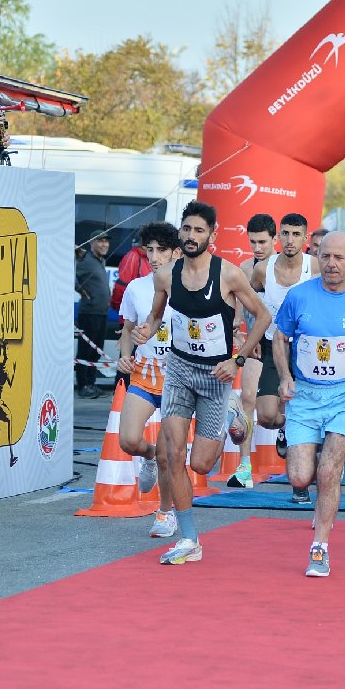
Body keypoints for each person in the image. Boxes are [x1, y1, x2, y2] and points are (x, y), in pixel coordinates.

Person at [133, 201, 272, 565]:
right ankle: (189, 538)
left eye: (199, 230)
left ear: (213, 233)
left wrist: (238, 359)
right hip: (178, 370)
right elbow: (157, 311)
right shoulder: (167, 275)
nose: (191, 236)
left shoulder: (228, 274)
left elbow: (262, 316)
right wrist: (148, 326)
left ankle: (230, 415)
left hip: (215, 376)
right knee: (174, 454)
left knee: (201, 465)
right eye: (187, 229)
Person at [275, 233, 345, 577]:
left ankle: (320, 548)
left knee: (329, 471)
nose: (331, 263)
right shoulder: (298, 296)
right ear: (317, 256)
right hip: (306, 396)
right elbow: (280, 338)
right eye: (325, 256)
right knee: (300, 477)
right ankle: (315, 480)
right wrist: (284, 376)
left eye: (339, 258)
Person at [116, 221, 182, 539]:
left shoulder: (188, 289)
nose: (154, 257)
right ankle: (149, 454)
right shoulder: (136, 289)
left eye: (161, 250)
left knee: (171, 455)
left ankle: (165, 513)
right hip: (144, 374)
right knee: (128, 440)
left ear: (176, 252)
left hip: (177, 379)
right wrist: (125, 355)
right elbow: (128, 329)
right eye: (150, 250)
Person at [249, 213, 320, 499]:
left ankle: (300, 486)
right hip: (271, 346)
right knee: (267, 416)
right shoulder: (262, 269)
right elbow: (249, 300)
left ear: (306, 237)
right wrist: (250, 333)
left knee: (302, 417)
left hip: (306, 351)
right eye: (286, 234)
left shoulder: (314, 267)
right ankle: (285, 429)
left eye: (296, 234)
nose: (290, 240)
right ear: (279, 236)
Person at [231, 213, 277, 487]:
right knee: (247, 398)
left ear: (274, 240)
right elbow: (237, 313)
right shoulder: (244, 269)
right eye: (253, 242)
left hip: (282, 345)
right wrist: (240, 336)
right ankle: (244, 466)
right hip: (254, 346)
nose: (258, 247)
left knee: (279, 407)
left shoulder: (284, 269)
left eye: (263, 242)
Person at [74, 231, 112, 398]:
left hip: (101, 313)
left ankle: (91, 384)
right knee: (85, 351)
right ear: (92, 243)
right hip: (89, 312)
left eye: (106, 241)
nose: (104, 244)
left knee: (96, 351)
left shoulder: (99, 260)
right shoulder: (85, 259)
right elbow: (70, 275)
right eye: (100, 241)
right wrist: (81, 290)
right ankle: (83, 386)